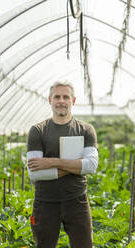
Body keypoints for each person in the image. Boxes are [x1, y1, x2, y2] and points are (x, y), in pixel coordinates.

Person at [27, 81, 98, 248]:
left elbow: (91, 166)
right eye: (57, 97)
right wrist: (75, 166)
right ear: (49, 100)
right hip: (45, 202)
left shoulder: (86, 130)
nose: (61, 100)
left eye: (66, 97)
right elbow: (34, 174)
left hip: (77, 201)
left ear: (73, 101)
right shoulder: (37, 130)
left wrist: (52, 162)